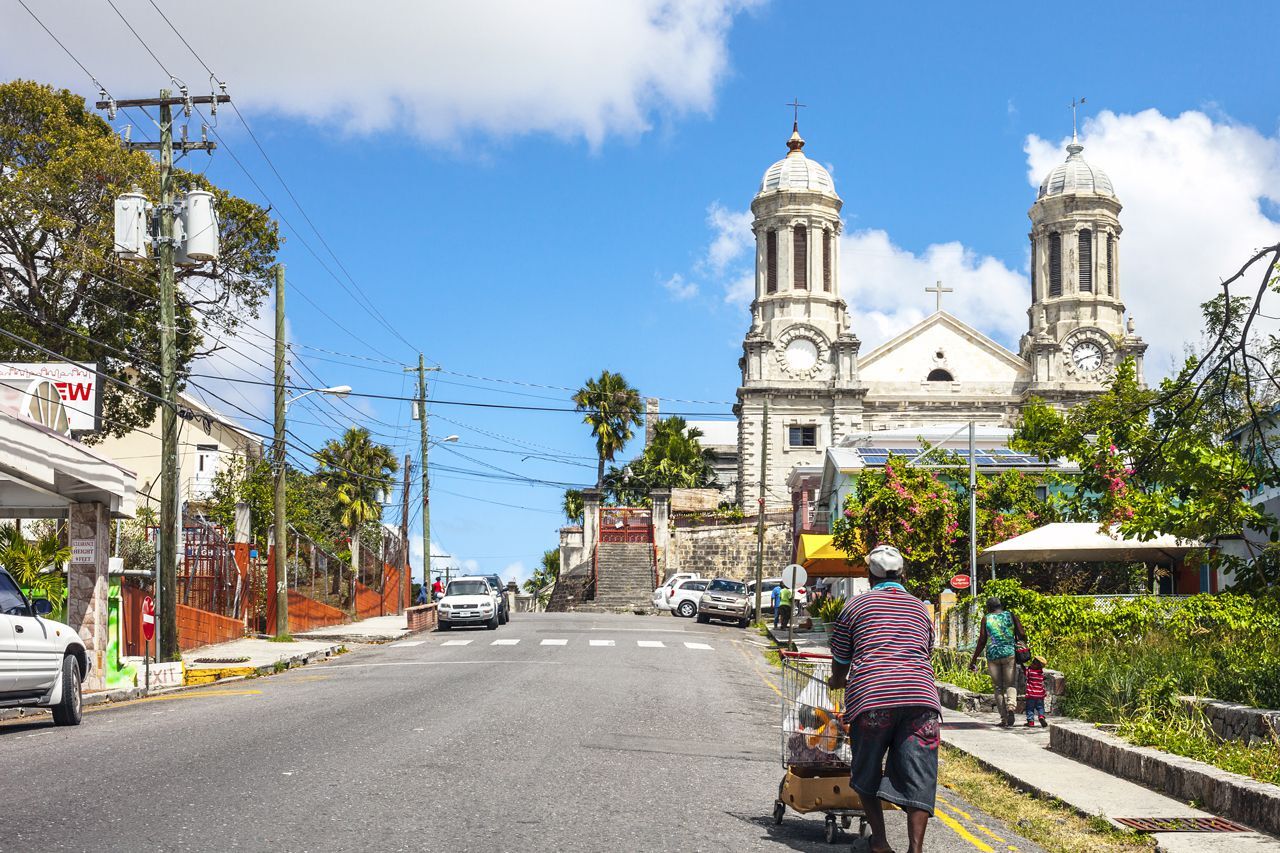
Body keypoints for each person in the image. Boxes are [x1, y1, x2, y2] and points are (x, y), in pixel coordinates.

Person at [828, 545, 941, 853]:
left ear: (869, 575)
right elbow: (926, 650)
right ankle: (915, 849)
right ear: (902, 574)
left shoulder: (856, 606)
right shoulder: (919, 608)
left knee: (866, 769)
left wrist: (837, 681)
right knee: (921, 774)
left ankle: (879, 842)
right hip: (921, 699)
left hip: (873, 699)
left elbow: (841, 657)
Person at [967, 596, 1026, 727]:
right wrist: (1019, 643)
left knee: (998, 687)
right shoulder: (1010, 615)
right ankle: (1011, 707)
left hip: (993, 655)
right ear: (1000, 606)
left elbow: (982, 640)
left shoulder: (986, 618)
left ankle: (1004, 719)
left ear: (989, 608)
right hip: (1009, 653)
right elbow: (1021, 633)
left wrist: (974, 658)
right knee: (1010, 684)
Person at [1024, 655, 1047, 728]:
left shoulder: (1030, 672)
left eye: (1034, 662)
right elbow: (1043, 679)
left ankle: (1030, 721)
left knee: (1029, 709)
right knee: (1040, 708)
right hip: (1040, 695)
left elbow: (1024, 671)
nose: (1032, 663)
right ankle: (1041, 716)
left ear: (1038, 666)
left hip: (1031, 695)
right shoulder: (1041, 674)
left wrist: (1021, 664)